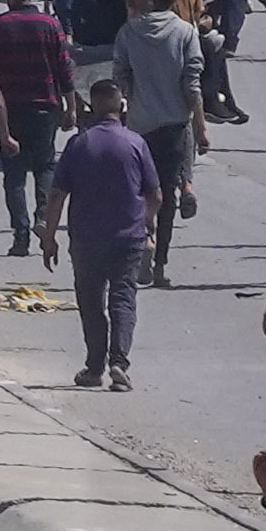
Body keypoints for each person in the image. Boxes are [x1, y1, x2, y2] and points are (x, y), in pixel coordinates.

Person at [55, 85, 165, 392]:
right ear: (122, 107)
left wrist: (49, 236)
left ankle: (93, 367)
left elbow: (57, 195)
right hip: (128, 237)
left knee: (90, 301)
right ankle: (119, 362)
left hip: (87, 238)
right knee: (123, 297)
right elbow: (155, 194)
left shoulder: (79, 143)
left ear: (92, 106)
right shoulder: (135, 143)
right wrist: (146, 222)